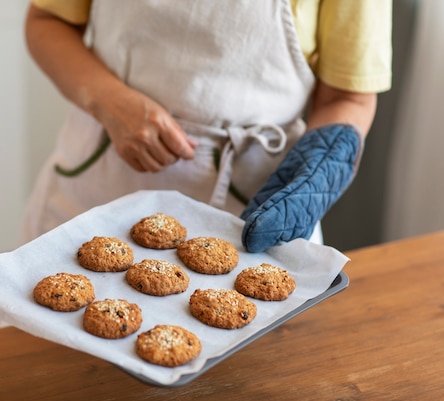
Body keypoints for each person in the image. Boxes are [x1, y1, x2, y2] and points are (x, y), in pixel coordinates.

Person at [21, 0, 392, 252]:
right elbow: (46, 21)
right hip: (98, 184)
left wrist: (315, 179)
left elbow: (350, 97)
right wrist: (107, 100)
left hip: (254, 206)